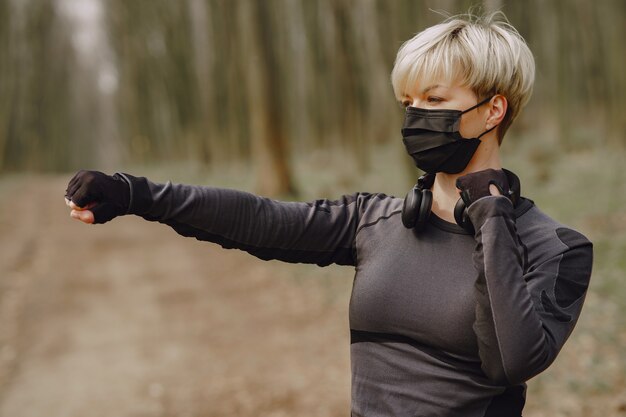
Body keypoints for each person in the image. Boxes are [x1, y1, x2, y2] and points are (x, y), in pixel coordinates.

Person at [65, 12, 593, 417]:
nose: (415, 118)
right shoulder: (378, 221)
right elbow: (262, 221)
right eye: (408, 102)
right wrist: (136, 194)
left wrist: (492, 218)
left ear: (493, 110)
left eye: (434, 98)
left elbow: (512, 359)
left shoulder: (558, 248)